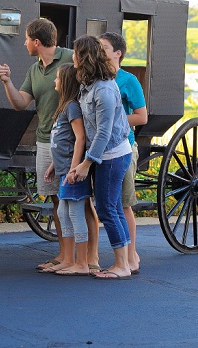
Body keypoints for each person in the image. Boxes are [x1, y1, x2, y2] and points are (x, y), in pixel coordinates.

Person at [0, 18, 100, 274]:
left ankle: (90, 258)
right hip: (46, 141)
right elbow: (20, 104)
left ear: (37, 42)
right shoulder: (34, 70)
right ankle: (65, 255)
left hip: (74, 141)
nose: (24, 43)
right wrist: (7, 81)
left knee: (83, 201)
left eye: (27, 39)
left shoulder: (70, 58)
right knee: (57, 199)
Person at [69, 35, 133, 280]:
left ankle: (122, 266)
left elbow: (104, 131)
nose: (72, 57)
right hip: (106, 155)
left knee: (106, 208)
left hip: (113, 155)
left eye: (75, 53)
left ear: (84, 57)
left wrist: (86, 162)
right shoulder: (90, 84)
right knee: (113, 207)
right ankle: (123, 263)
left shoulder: (104, 89)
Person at [99, 32, 147, 275]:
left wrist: (110, 120)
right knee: (107, 204)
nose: (100, 51)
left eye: (104, 47)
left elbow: (141, 116)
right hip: (100, 149)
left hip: (124, 147)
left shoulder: (128, 80)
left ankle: (131, 257)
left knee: (123, 203)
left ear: (117, 53)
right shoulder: (96, 78)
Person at [41, 63, 93, 275]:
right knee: (63, 212)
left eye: (57, 78)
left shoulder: (72, 106)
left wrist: (74, 169)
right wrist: (54, 164)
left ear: (66, 82)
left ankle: (81, 263)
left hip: (72, 173)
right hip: (63, 170)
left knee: (75, 213)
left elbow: (80, 137)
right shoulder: (64, 106)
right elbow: (62, 141)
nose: (54, 81)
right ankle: (69, 259)